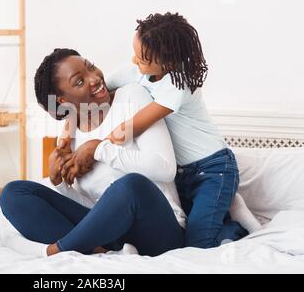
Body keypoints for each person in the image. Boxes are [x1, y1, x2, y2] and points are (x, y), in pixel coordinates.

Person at [62, 13, 261, 249]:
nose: (134, 61)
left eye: (142, 58)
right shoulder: (140, 71)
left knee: (198, 243)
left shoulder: (179, 84)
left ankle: (235, 226)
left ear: (167, 62)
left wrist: (95, 148)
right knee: (191, 226)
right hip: (181, 172)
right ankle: (225, 208)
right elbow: (95, 97)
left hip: (213, 169)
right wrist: (66, 137)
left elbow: (132, 126)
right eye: (135, 52)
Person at [0, 48, 186, 257]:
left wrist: (99, 149)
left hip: (158, 229)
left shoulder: (131, 96)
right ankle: (99, 250)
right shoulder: (71, 136)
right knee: (13, 193)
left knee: (131, 185)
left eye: (91, 67)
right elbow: (92, 207)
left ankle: (54, 250)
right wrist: (59, 181)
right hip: (110, 236)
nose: (94, 78)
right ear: (62, 100)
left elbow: (165, 168)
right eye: (79, 82)